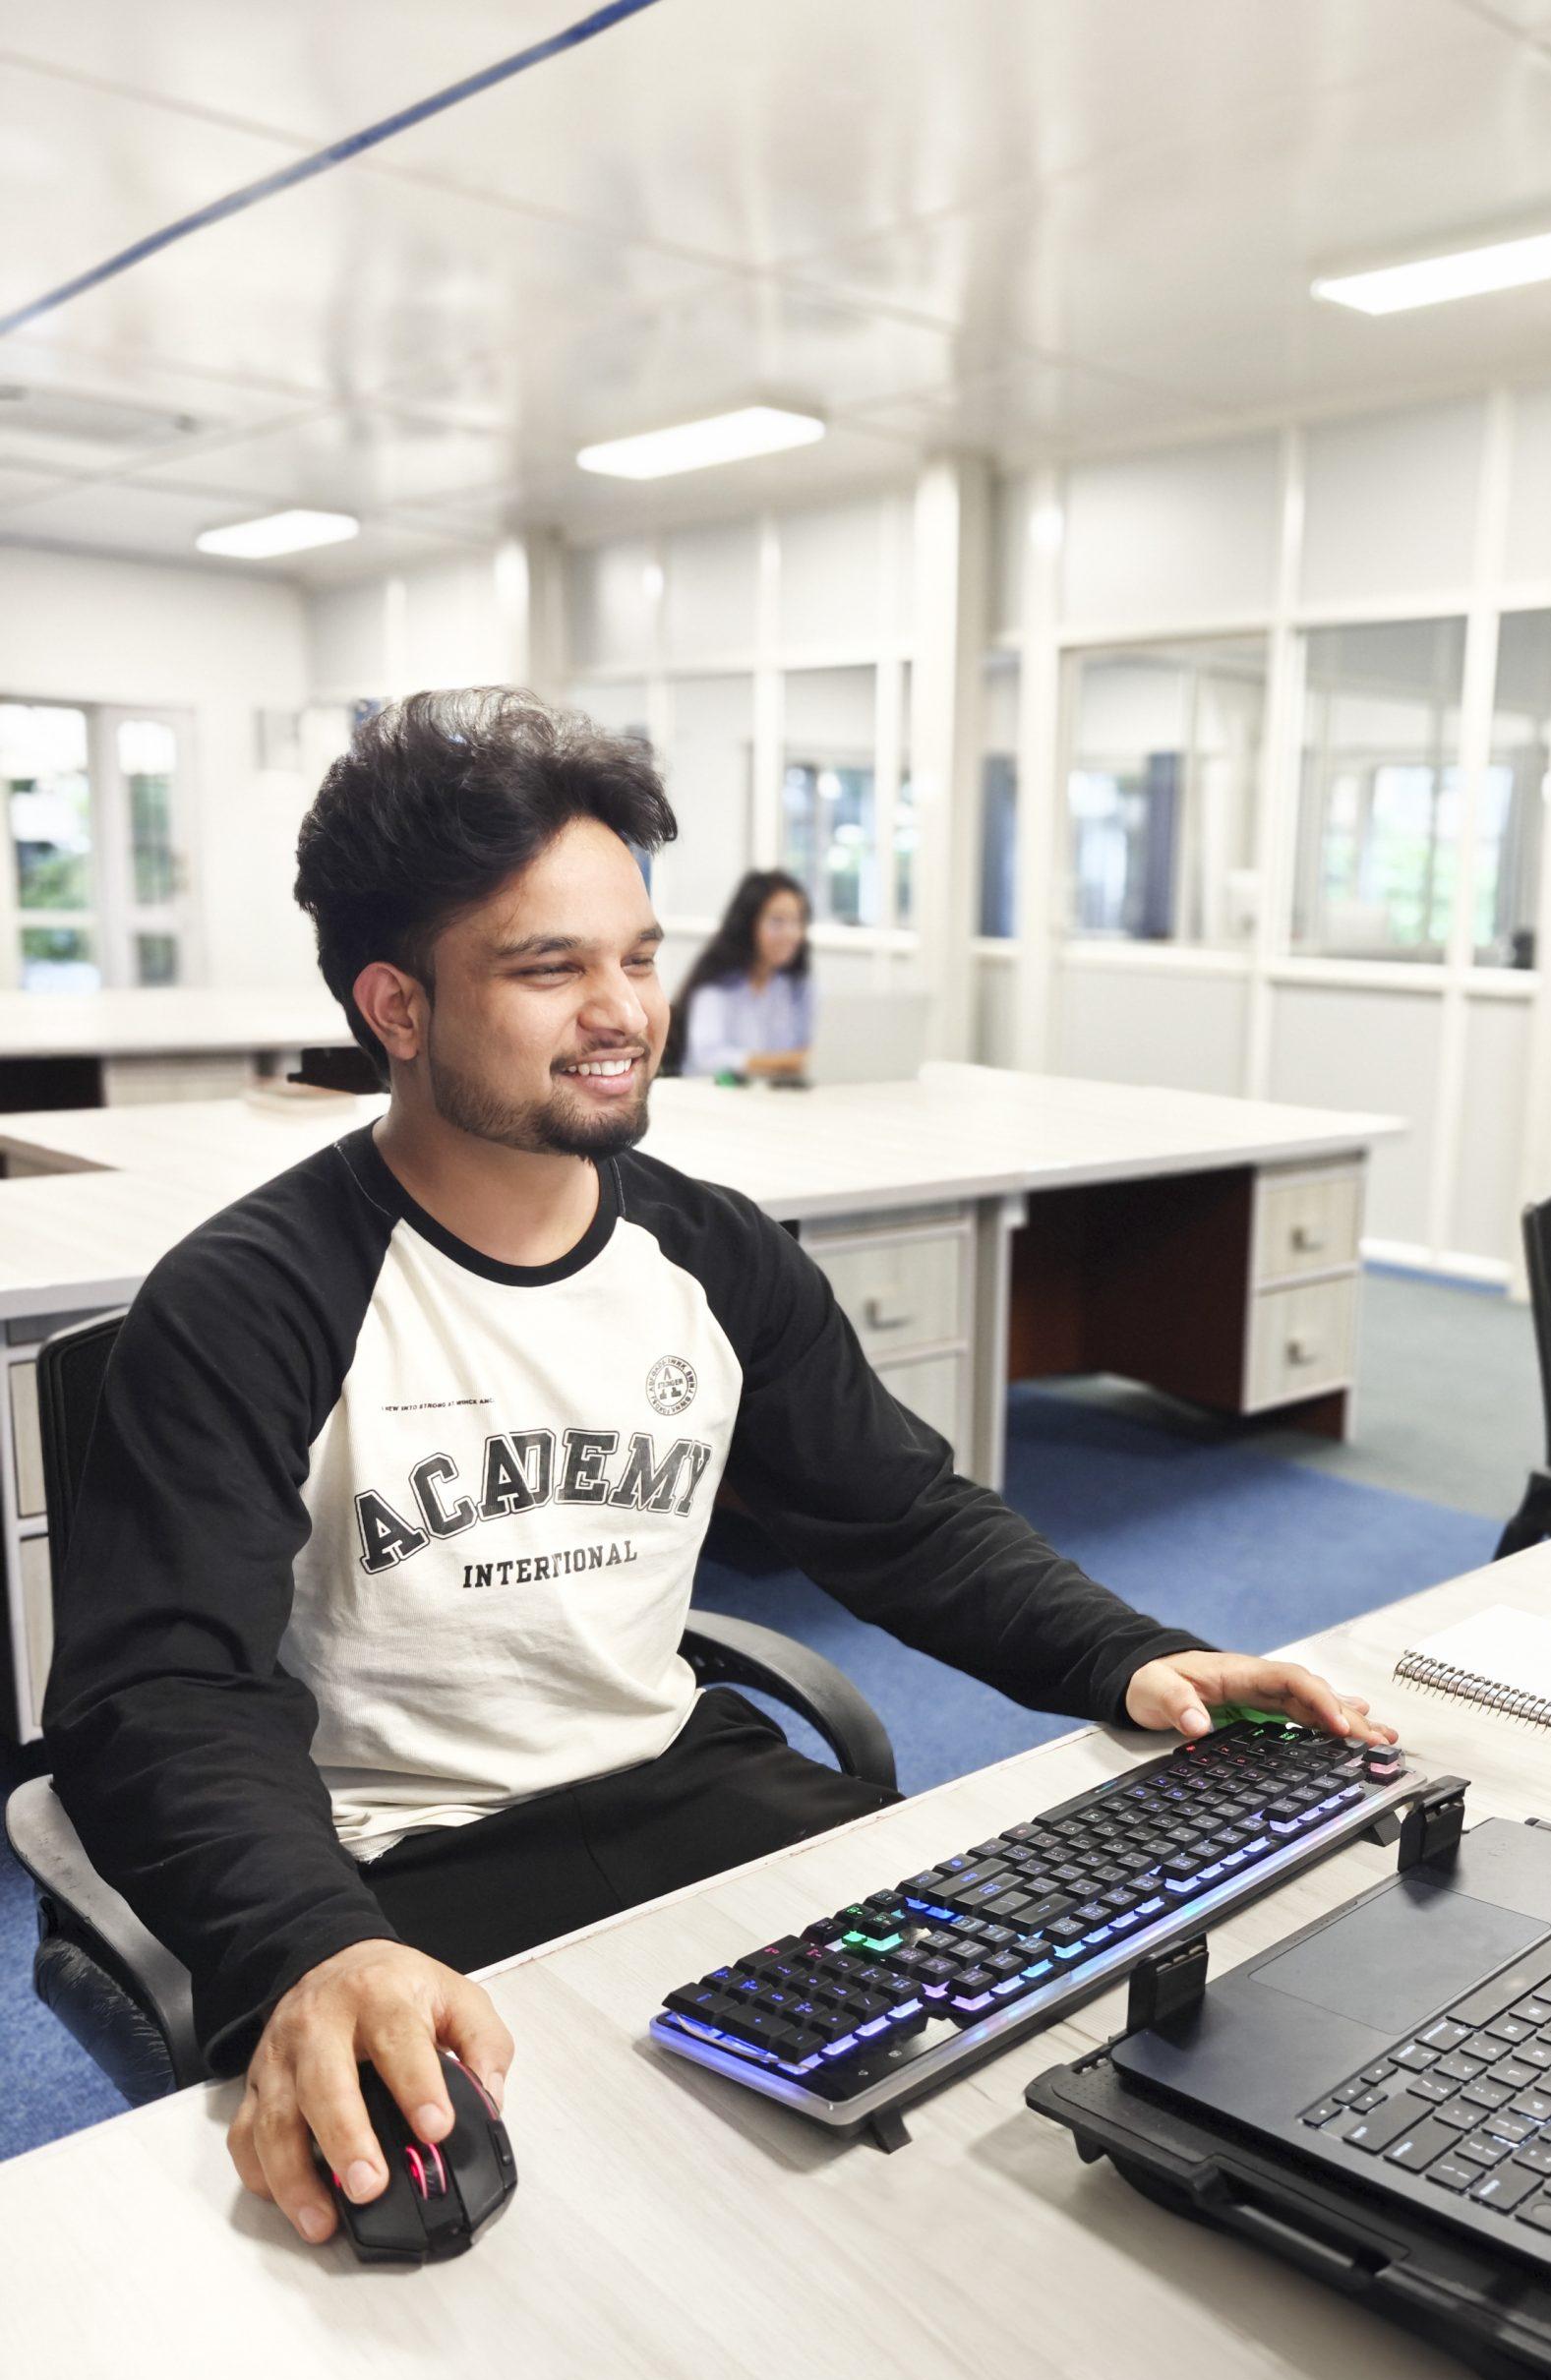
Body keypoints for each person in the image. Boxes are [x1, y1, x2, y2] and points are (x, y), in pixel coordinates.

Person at [42, 687, 1396, 2253]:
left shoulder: (709, 1251)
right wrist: (303, 1949)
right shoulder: (253, 1299)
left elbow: (896, 1512)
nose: (620, 1009)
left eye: (633, 955)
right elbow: (163, 1696)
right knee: (542, 2267)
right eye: (548, 967)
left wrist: (1135, 1655)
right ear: (395, 1007)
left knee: (1002, 2109)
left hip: (684, 1780)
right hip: (388, 1867)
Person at [669, 869, 812, 1080]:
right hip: (712, 1097)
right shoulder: (716, 985)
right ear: (748, 924)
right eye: (778, 921)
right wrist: (787, 1063)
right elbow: (706, 1059)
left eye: (797, 921)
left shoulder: (793, 986)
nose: (791, 934)